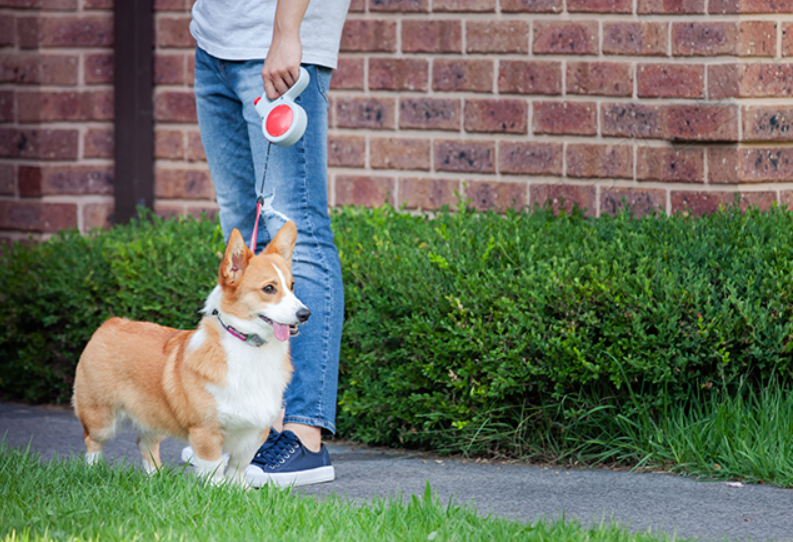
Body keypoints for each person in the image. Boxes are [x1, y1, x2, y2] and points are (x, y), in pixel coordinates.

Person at [184, 0, 350, 487]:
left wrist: (286, 30)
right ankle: (261, 427)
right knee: (244, 232)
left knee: (297, 227)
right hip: (215, 42)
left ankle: (303, 437)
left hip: (275, 47)